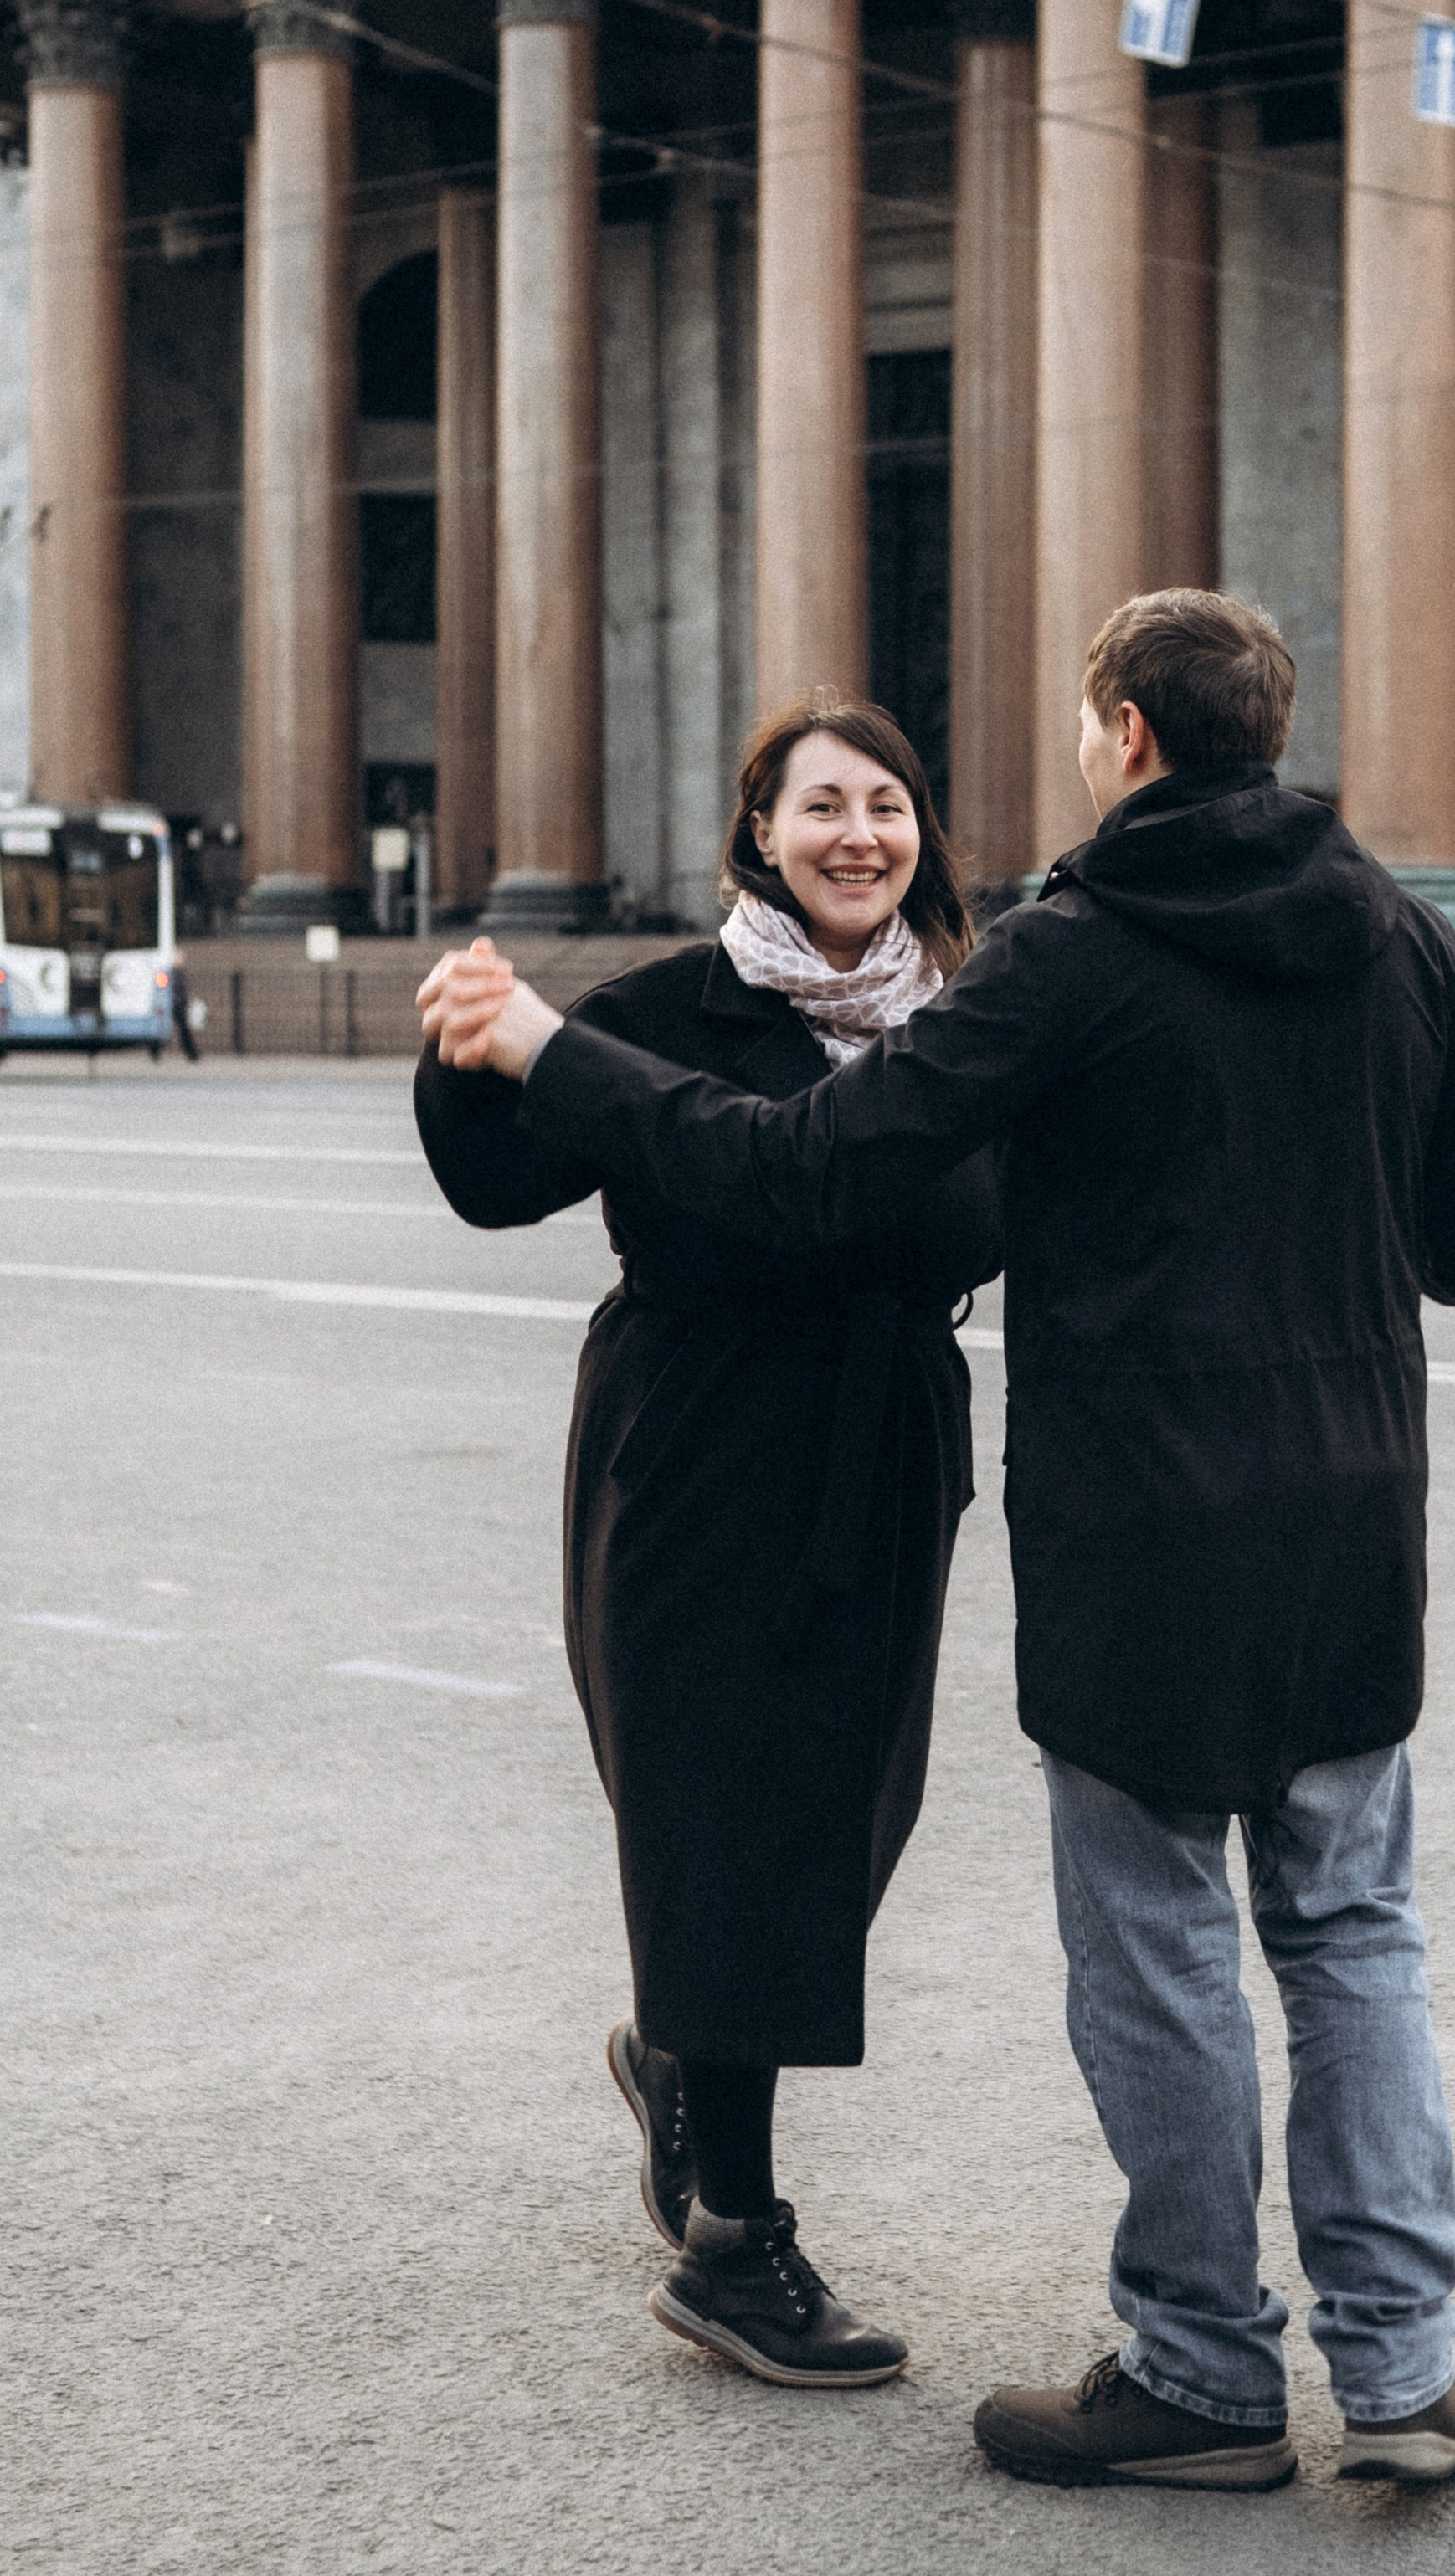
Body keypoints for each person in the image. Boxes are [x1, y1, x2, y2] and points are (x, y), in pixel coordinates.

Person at [428, 589, 1455, 2492]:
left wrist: (547, 1044)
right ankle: (1400, 2375)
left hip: (1140, 1528)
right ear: (1269, 731)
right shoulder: (1400, 937)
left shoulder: (1067, 956)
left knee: (1161, 1947)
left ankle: (1202, 2375)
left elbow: (803, 1169)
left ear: (1120, 730)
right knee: (1354, 1931)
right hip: (1355, 1517)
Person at [413, 699, 1000, 2391]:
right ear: (759, 830)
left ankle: (680, 2057)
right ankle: (735, 2241)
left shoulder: (958, 1024)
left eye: (888, 805)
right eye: (822, 805)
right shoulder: (664, 1006)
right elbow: (499, 1180)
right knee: (724, 1806)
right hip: (692, 1446)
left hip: (878, 1448)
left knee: (840, 1821)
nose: (859, 836)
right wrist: (465, 1039)